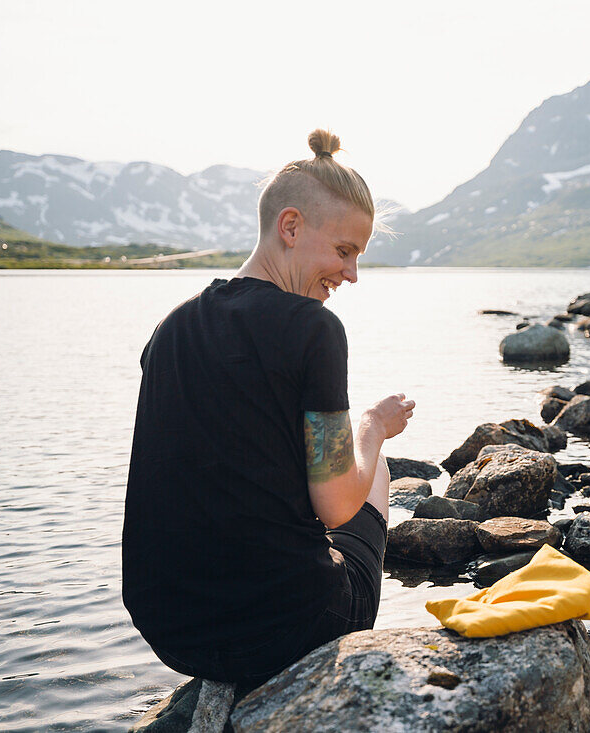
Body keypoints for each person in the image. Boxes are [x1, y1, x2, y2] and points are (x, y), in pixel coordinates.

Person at [122, 129, 414, 692]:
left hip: (169, 630)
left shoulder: (172, 327)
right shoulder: (315, 328)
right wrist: (375, 428)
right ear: (291, 226)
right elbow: (334, 508)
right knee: (371, 462)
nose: (351, 274)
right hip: (289, 627)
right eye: (345, 251)